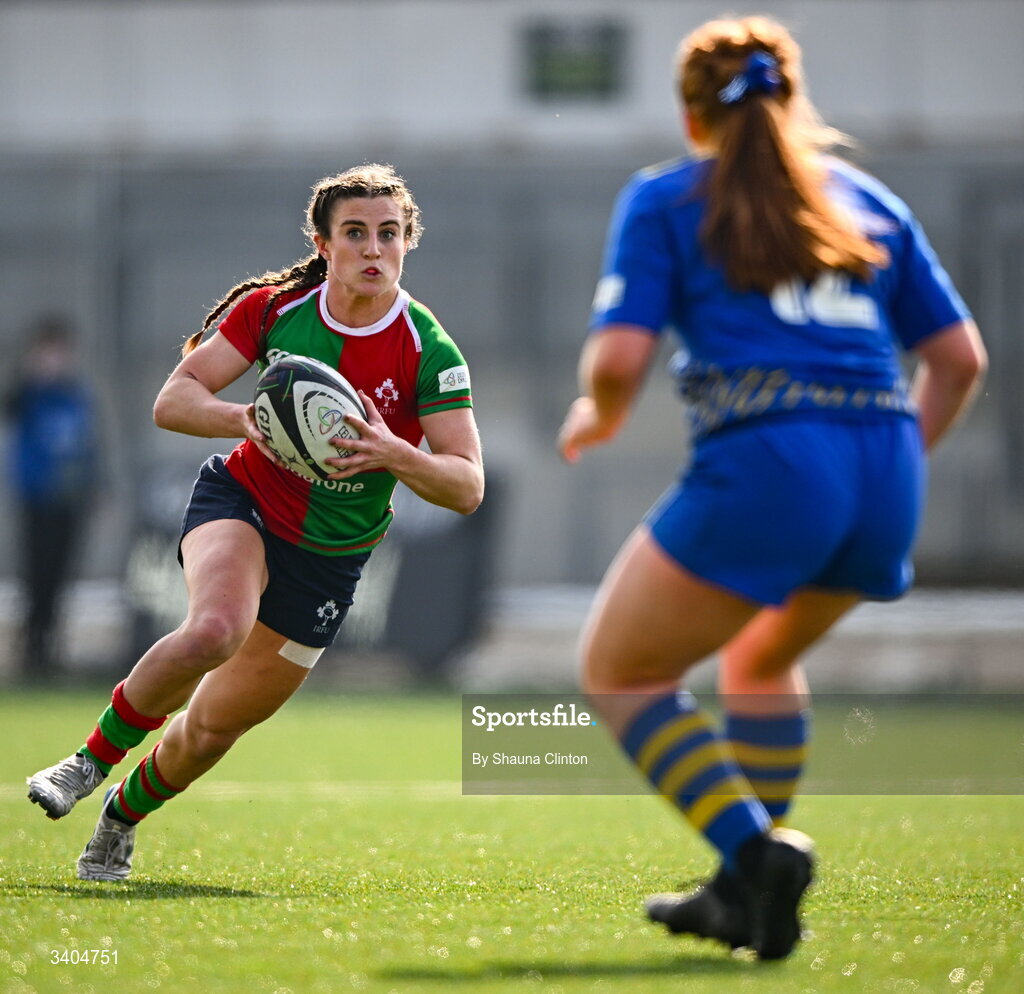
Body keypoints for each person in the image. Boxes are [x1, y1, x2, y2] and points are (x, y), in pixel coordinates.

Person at [557, 16, 986, 961]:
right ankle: (739, 897)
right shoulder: (870, 199)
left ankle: (755, 856)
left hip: (774, 466)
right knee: (756, 656)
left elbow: (621, 355)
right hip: (886, 469)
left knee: (621, 671)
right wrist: (892, 464)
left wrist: (598, 412)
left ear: (688, 111)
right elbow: (959, 362)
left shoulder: (668, 197)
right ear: (795, 99)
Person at [27, 163, 483, 881]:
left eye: (389, 235)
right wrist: (249, 418)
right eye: (355, 233)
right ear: (322, 243)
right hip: (243, 499)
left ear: (407, 243)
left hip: (331, 557)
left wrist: (395, 453)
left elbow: (466, 485)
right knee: (214, 629)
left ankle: (120, 815)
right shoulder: (274, 312)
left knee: (209, 732)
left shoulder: (428, 348)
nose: (373, 250)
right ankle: (87, 761)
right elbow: (173, 401)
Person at [4, 316, 100, 682]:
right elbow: (9, 407)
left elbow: (89, 445)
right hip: (37, 498)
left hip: (68, 499)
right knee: (36, 575)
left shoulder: (76, 396)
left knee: (61, 575)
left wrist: (95, 486)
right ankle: (32, 649)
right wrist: (32, 378)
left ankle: (51, 647)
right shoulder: (29, 394)